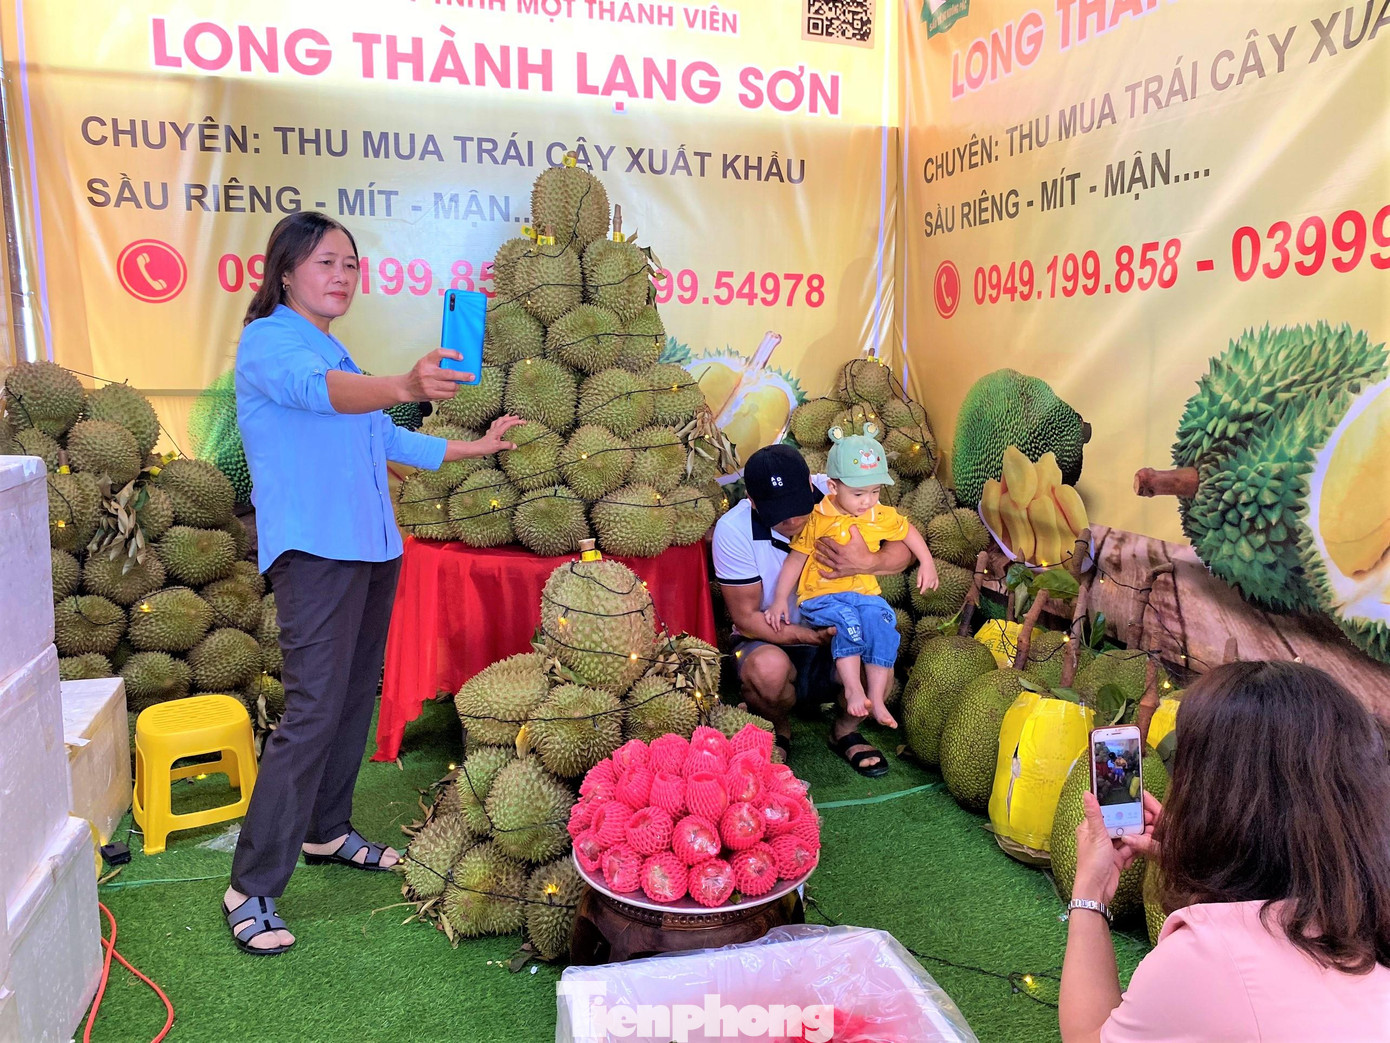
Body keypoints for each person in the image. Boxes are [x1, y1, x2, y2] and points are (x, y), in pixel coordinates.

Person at [224, 212, 523, 955]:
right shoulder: (271, 344)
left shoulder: (333, 348)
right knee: (313, 708)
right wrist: (400, 381)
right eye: (327, 262)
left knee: (355, 697)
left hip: (370, 547)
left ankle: (327, 830)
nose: (342, 275)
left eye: (351, 266)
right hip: (316, 550)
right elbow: (326, 395)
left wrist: (473, 444)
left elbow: (381, 436)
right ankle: (251, 883)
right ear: (285, 271)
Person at [1059, 661, 1390, 1041]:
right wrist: (1200, 858)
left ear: (1210, 797)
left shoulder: (1206, 959)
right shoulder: (1369, 910)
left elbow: (1086, 1036)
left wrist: (1089, 894)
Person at [710, 444, 913, 777]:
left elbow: (903, 546)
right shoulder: (733, 531)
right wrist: (807, 635)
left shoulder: (842, 490)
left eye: (797, 506)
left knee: (880, 655)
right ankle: (779, 727)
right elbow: (745, 617)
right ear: (751, 499)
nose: (791, 520)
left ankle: (844, 730)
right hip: (772, 640)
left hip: (843, 627)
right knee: (766, 670)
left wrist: (869, 561)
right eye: (778, 512)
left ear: (810, 484)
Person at [763, 428, 937, 730]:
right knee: (848, 621)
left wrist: (927, 562)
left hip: (865, 596)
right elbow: (796, 559)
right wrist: (780, 599)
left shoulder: (878, 514)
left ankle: (877, 700)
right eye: (858, 494)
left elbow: (907, 530)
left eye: (875, 492)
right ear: (832, 486)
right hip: (822, 598)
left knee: (883, 623)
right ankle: (853, 688)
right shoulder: (818, 517)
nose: (868, 501)